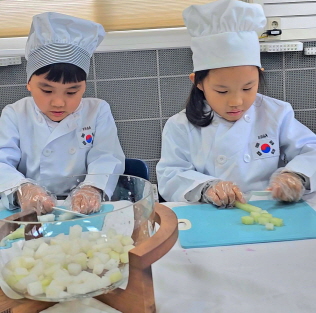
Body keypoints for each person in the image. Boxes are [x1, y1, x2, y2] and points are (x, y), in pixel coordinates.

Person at [156, 0, 316, 206]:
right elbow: (170, 175)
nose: (237, 101)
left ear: (260, 77)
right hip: (211, 213)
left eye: (248, 88)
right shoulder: (180, 126)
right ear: (198, 82)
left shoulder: (277, 113)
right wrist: (207, 187)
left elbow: (311, 150)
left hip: (269, 208)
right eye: (222, 91)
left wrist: (296, 175)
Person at [0, 12, 125, 214]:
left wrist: (92, 188)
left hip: (83, 210)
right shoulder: (15, 114)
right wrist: (23, 189)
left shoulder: (98, 110)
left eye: (72, 91)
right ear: (29, 84)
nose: (59, 102)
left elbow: (106, 157)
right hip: (29, 210)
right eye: (47, 90)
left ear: (84, 87)